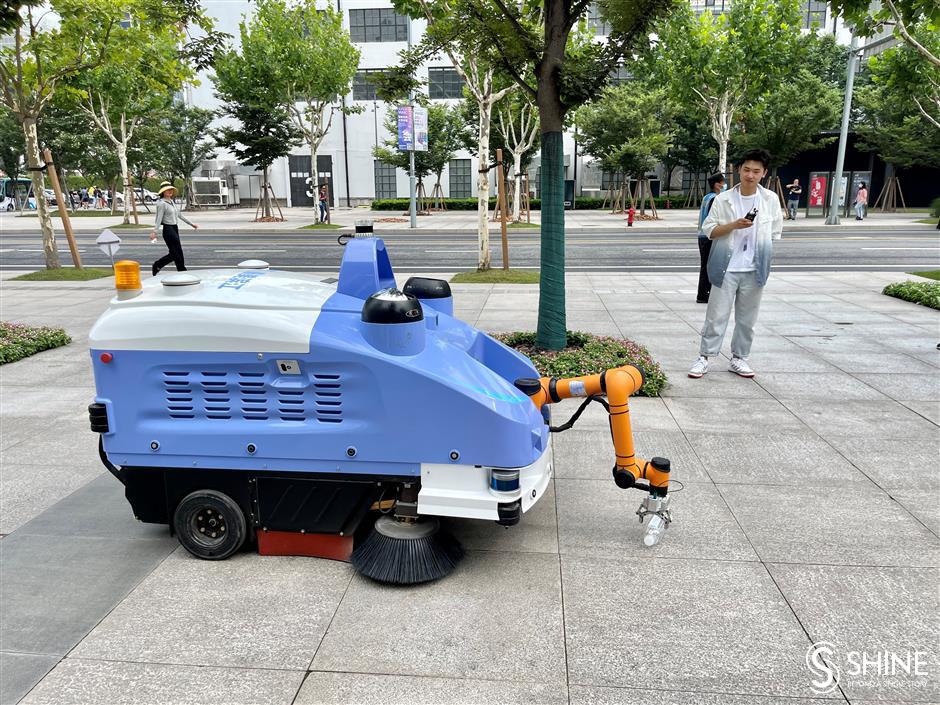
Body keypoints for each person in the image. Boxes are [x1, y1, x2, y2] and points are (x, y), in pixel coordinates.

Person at [688, 148, 782, 379]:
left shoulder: (770, 200)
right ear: (739, 170)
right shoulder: (724, 199)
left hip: (755, 269)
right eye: (746, 169)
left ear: (764, 173)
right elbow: (708, 230)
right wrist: (733, 225)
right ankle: (705, 357)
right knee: (716, 316)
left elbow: (774, 233)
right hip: (725, 268)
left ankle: (739, 358)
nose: (750, 175)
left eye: (756, 171)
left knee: (747, 319)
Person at [150, 181, 198, 276]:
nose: (170, 191)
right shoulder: (161, 203)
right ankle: (180, 270)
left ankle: (163, 266)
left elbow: (179, 215)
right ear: (163, 192)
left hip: (174, 228)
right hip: (168, 230)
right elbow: (158, 218)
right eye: (167, 190)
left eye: (171, 189)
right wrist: (155, 232)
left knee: (176, 252)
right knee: (176, 253)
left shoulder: (171, 201)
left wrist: (191, 224)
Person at [696, 173, 725, 304]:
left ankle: (704, 293)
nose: (725, 186)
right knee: (708, 266)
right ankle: (704, 294)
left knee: (706, 265)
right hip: (708, 236)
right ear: (717, 184)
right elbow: (713, 219)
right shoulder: (714, 198)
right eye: (723, 183)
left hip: (702, 235)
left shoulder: (707, 197)